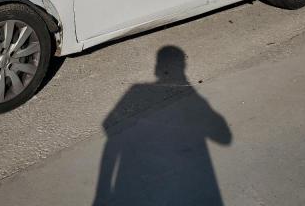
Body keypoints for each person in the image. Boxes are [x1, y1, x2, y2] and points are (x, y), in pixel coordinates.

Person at [94, 46, 232, 205]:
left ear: (156, 68)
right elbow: (225, 138)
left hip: (142, 184)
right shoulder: (139, 90)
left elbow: (109, 130)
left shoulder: (136, 90)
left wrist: (102, 189)